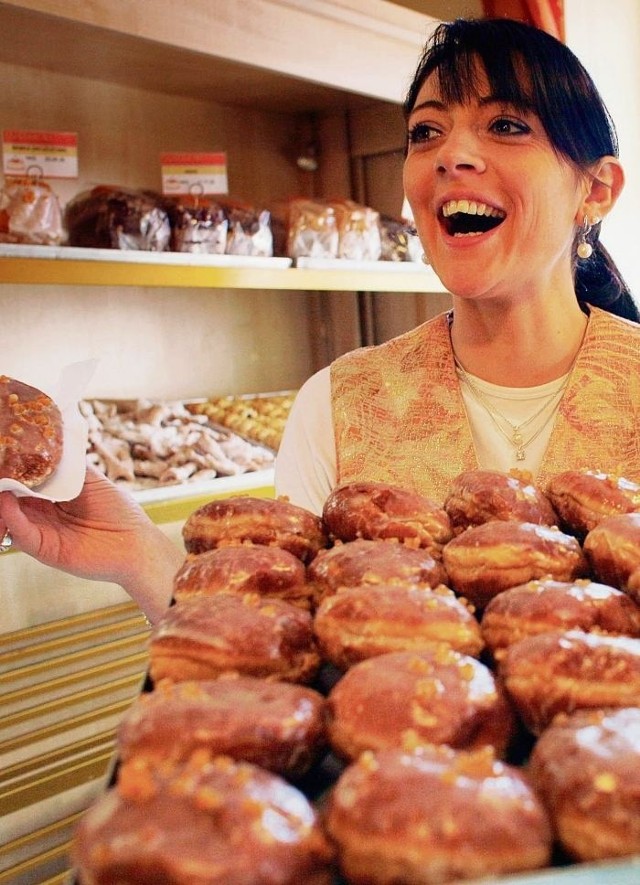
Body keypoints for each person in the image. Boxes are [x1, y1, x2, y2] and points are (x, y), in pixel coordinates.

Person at [1, 17, 639, 623]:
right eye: (426, 132)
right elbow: (274, 651)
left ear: (597, 188)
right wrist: (136, 553)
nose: (453, 156)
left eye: (506, 125)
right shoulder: (336, 404)